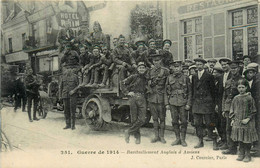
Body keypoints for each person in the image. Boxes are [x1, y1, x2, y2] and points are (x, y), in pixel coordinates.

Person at [229, 78, 258, 162]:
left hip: (247, 122)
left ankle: (247, 155)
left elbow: (253, 110)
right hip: (238, 121)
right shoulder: (235, 98)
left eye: (242, 87)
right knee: (240, 138)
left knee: (247, 139)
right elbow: (232, 109)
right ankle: (241, 153)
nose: (241, 89)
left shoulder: (249, 98)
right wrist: (233, 119)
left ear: (246, 88)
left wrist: (248, 118)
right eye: (239, 87)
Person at [165, 61, 191, 147]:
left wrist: (188, 103)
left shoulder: (185, 78)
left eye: (178, 67)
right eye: (175, 67)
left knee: (184, 121)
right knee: (174, 121)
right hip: (172, 102)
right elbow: (165, 92)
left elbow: (190, 92)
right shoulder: (169, 78)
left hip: (183, 102)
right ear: (172, 68)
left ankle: (183, 139)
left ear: (181, 68)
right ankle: (177, 138)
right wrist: (166, 104)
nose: (176, 69)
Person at [191, 58, 216, 149]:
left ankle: (214, 141)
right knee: (198, 123)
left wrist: (213, 103)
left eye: (200, 65)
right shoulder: (193, 76)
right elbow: (193, 89)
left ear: (204, 66)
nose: (198, 66)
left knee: (210, 123)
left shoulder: (209, 76)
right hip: (197, 103)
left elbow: (213, 91)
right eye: (197, 65)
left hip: (207, 103)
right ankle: (200, 141)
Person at [121, 62, 148, 144]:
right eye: (140, 68)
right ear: (137, 69)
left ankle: (128, 131)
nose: (142, 69)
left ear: (145, 69)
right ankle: (137, 138)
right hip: (133, 98)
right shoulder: (133, 76)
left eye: (143, 68)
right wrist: (127, 92)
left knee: (142, 119)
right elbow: (122, 83)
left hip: (142, 98)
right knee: (134, 119)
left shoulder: (146, 78)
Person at [147, 54, 169, 144]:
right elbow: (147, 83)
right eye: (155, 61)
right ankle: (156, 136)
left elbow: (168, 85)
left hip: (161, 98)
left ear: (161, 61)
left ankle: (162, 136)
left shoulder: (165, 71)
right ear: (153, 62)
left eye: (158, 60)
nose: (156, 62)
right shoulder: (150, 71)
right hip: (152, 98)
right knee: (155, 118)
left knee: (162, 118)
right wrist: (149, 88)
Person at [222, 60, 242, 155]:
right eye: (232, 68)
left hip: (238, 108)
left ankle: (241, 149)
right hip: (228, 108)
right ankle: (231, 148)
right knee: (228, 128)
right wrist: (223, 108)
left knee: (239, 128)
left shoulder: (242, 80)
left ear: (238, 68)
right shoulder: (228, 81)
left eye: (235, 68)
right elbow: (224, 96)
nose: (233, 70)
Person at [59, 50, 80, 130]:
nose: (68, 70)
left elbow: (78, 86)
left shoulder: (75, 77)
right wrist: (60, 96)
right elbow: (60, 87)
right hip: (65, 95)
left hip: (72, 96)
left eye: (70, 69)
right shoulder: (63, 77)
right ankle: (67, 124)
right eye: (66, 69)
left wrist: (74, 91)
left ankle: (73, 125)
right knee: (66, 111)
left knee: (72, 111)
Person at [217, 58, 232, 149]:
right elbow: (218, 91)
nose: (224, 66)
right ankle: (224, 140)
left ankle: (231, 143)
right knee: (221, 122)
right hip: (221, 102)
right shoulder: (221, 76)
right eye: (222, 65)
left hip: (230, 102)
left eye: (226, 64)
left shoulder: (232, 75)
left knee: (229, 123)